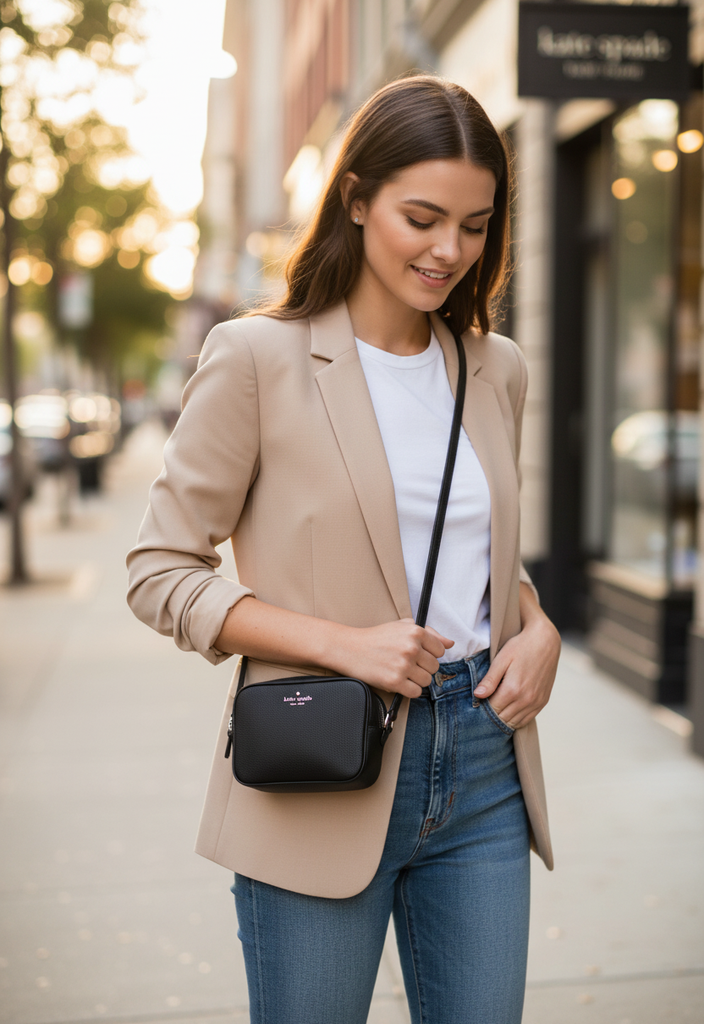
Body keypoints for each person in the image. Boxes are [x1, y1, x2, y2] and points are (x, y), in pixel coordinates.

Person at [127, 74, 561, 1024]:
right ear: (356, 199)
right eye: (422, 217)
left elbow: (477, 553)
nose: (451, 250)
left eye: (477, 225)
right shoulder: (256, 359)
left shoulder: (497, 368)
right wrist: (342, 644)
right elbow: (159, 572)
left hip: (484, 764)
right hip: (323, 759)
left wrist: (539, 630)